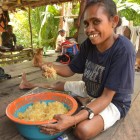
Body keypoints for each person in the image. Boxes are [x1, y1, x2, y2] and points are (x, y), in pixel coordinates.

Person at [19, 0, 136, 139]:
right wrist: (46, 65)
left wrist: (73, 120)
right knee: (58, 86)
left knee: (83, 130)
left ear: (114, 21)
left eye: (96, 22)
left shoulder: (123, 49)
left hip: (114, 101)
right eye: (86, 23)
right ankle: (28, 85)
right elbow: (70, 69)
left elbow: (106, 97)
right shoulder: (88, 45)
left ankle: (83, 101)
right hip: (91, 88)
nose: (89, 29)